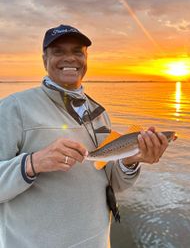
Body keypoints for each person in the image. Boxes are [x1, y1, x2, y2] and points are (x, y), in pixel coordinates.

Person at [0, 24, 169, 248]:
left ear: (86, 58)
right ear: (44, 60)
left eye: (77, 51)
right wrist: (32, 163)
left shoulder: (100, 114)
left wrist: (130, 161)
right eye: (58, 51)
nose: (69, 58)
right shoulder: (14, 108)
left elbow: (112, 181)